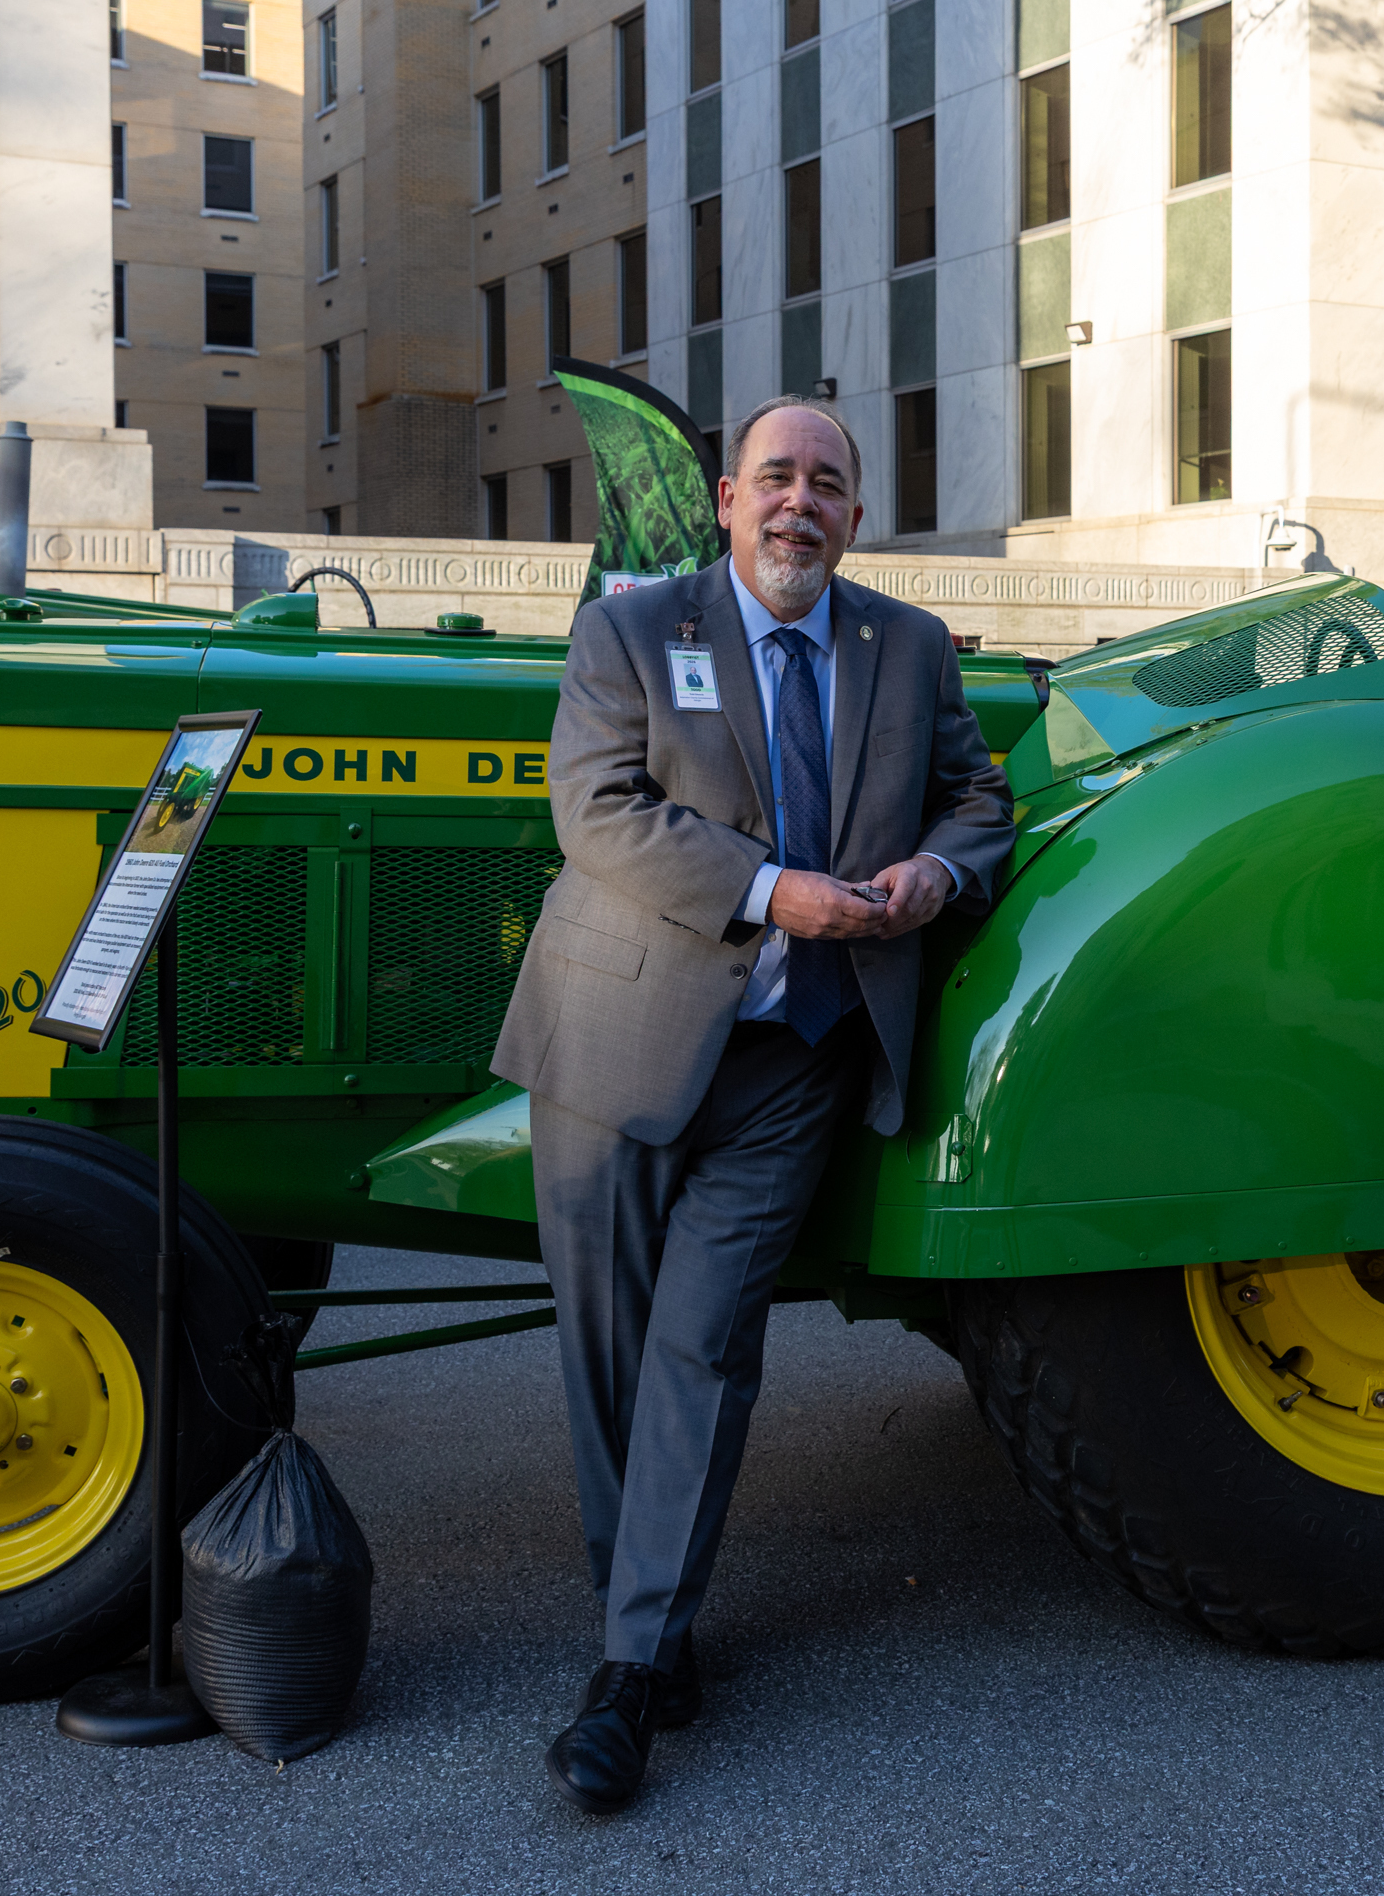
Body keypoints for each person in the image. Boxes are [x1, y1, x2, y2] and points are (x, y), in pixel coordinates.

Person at [493, 396, 1015, 1814]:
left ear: (856, 515)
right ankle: (644, 1623)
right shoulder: (632, 629)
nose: (801, 503)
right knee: (608, 1353)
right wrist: (769, 886)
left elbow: (979, 797)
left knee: (705, 1350)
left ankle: (626, 1678)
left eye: (829, 484)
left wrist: (938, 875)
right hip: (613, 1037)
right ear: (728, 498)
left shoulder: (904, 645)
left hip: (797, 1055)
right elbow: (596, 810)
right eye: (776, 477)